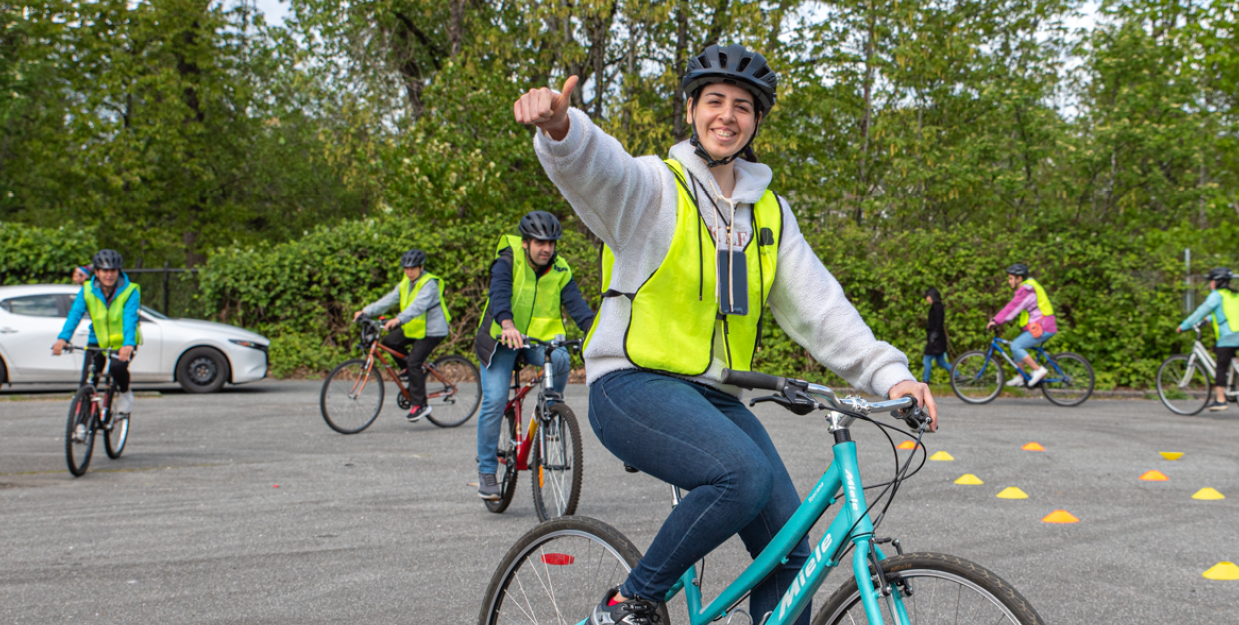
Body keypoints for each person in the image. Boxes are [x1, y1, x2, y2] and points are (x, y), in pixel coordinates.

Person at [515, 43, 937, 625]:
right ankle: (631, 603)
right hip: (633, 385)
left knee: (790, 555)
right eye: (714, 100)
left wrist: (892, 375)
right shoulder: (653, 189)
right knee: (742, 474)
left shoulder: (769, 215)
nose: (727, 115)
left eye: (743, 106)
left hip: (716, 396)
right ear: (691, 109)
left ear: (756, 121)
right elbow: (600, 170)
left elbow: (822, 308)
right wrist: (564, 129)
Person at [471, 210, 596, 500]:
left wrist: (596, 332)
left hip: (536, 342)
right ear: (526, 243)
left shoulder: (560, 269)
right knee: (495, 400)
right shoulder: (508, 261)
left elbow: (578, 308)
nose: (547, 249)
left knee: (563, 357)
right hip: (502, 339)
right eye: (540, 243)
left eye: (551, 243)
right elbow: (499, 294)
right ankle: (487, 470)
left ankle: (551, 410)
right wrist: (507, 324)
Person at [352, 249, 450, 422]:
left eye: (412, 268)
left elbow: (418, 307)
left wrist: (398, 319)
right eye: (406, 268)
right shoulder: (406, 283)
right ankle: (409, 371)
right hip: (415, 327)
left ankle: (420, 405)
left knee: (414, 361)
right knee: (389, 341)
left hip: (433, 331)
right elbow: (388, 300)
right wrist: (365, 311)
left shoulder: (429, 284)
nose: (409, 272)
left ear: (421, 267)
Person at [52, 249, 140, 428]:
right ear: (97, 272)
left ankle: (125, 394)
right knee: (88, 380)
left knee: (117, 368)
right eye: (105, 271)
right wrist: (63, 339)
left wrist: (128, 344)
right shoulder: (87, 290)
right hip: (97, 340)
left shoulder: (130, 290)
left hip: (123, 342)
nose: (109, 275)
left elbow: (130, 319)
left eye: (113, 271)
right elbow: (75, 314)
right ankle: (82, 425)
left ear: (118, 271)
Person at [1176, 267, 1239, 411]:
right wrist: (1209, 319)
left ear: (1217, 282)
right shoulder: (1234, 295)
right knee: (1224, 352)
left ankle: (1220, 399)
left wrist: (1185, 325)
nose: (1210, 284)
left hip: (1231, 335)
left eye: (1211, 281)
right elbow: (1228, 313)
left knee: (1220, 365)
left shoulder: (1216, 295)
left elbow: (1200, 312)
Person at [986, 263, 1058, 387]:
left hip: (1043, 326)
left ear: (1019, 278)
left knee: (1016, 346)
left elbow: (1013, 308)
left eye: (1010, 278)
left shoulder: (1027, 290)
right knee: (1016, 346)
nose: (1008, 281)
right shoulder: (1029, 287)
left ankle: (1038, 370)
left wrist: (996, 320)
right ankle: (1021, 376)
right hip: (1041, 325)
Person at [922, 288, 955, 383]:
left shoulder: (937, 307)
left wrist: (934, 335)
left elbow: (939, 322)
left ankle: (925, 380)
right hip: (937, 339)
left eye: (928, 297)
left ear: (932, 296)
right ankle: (957, 375)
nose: (927, 299)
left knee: (926, 360)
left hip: (935, 339)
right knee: (941, 362)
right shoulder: (936, 307)